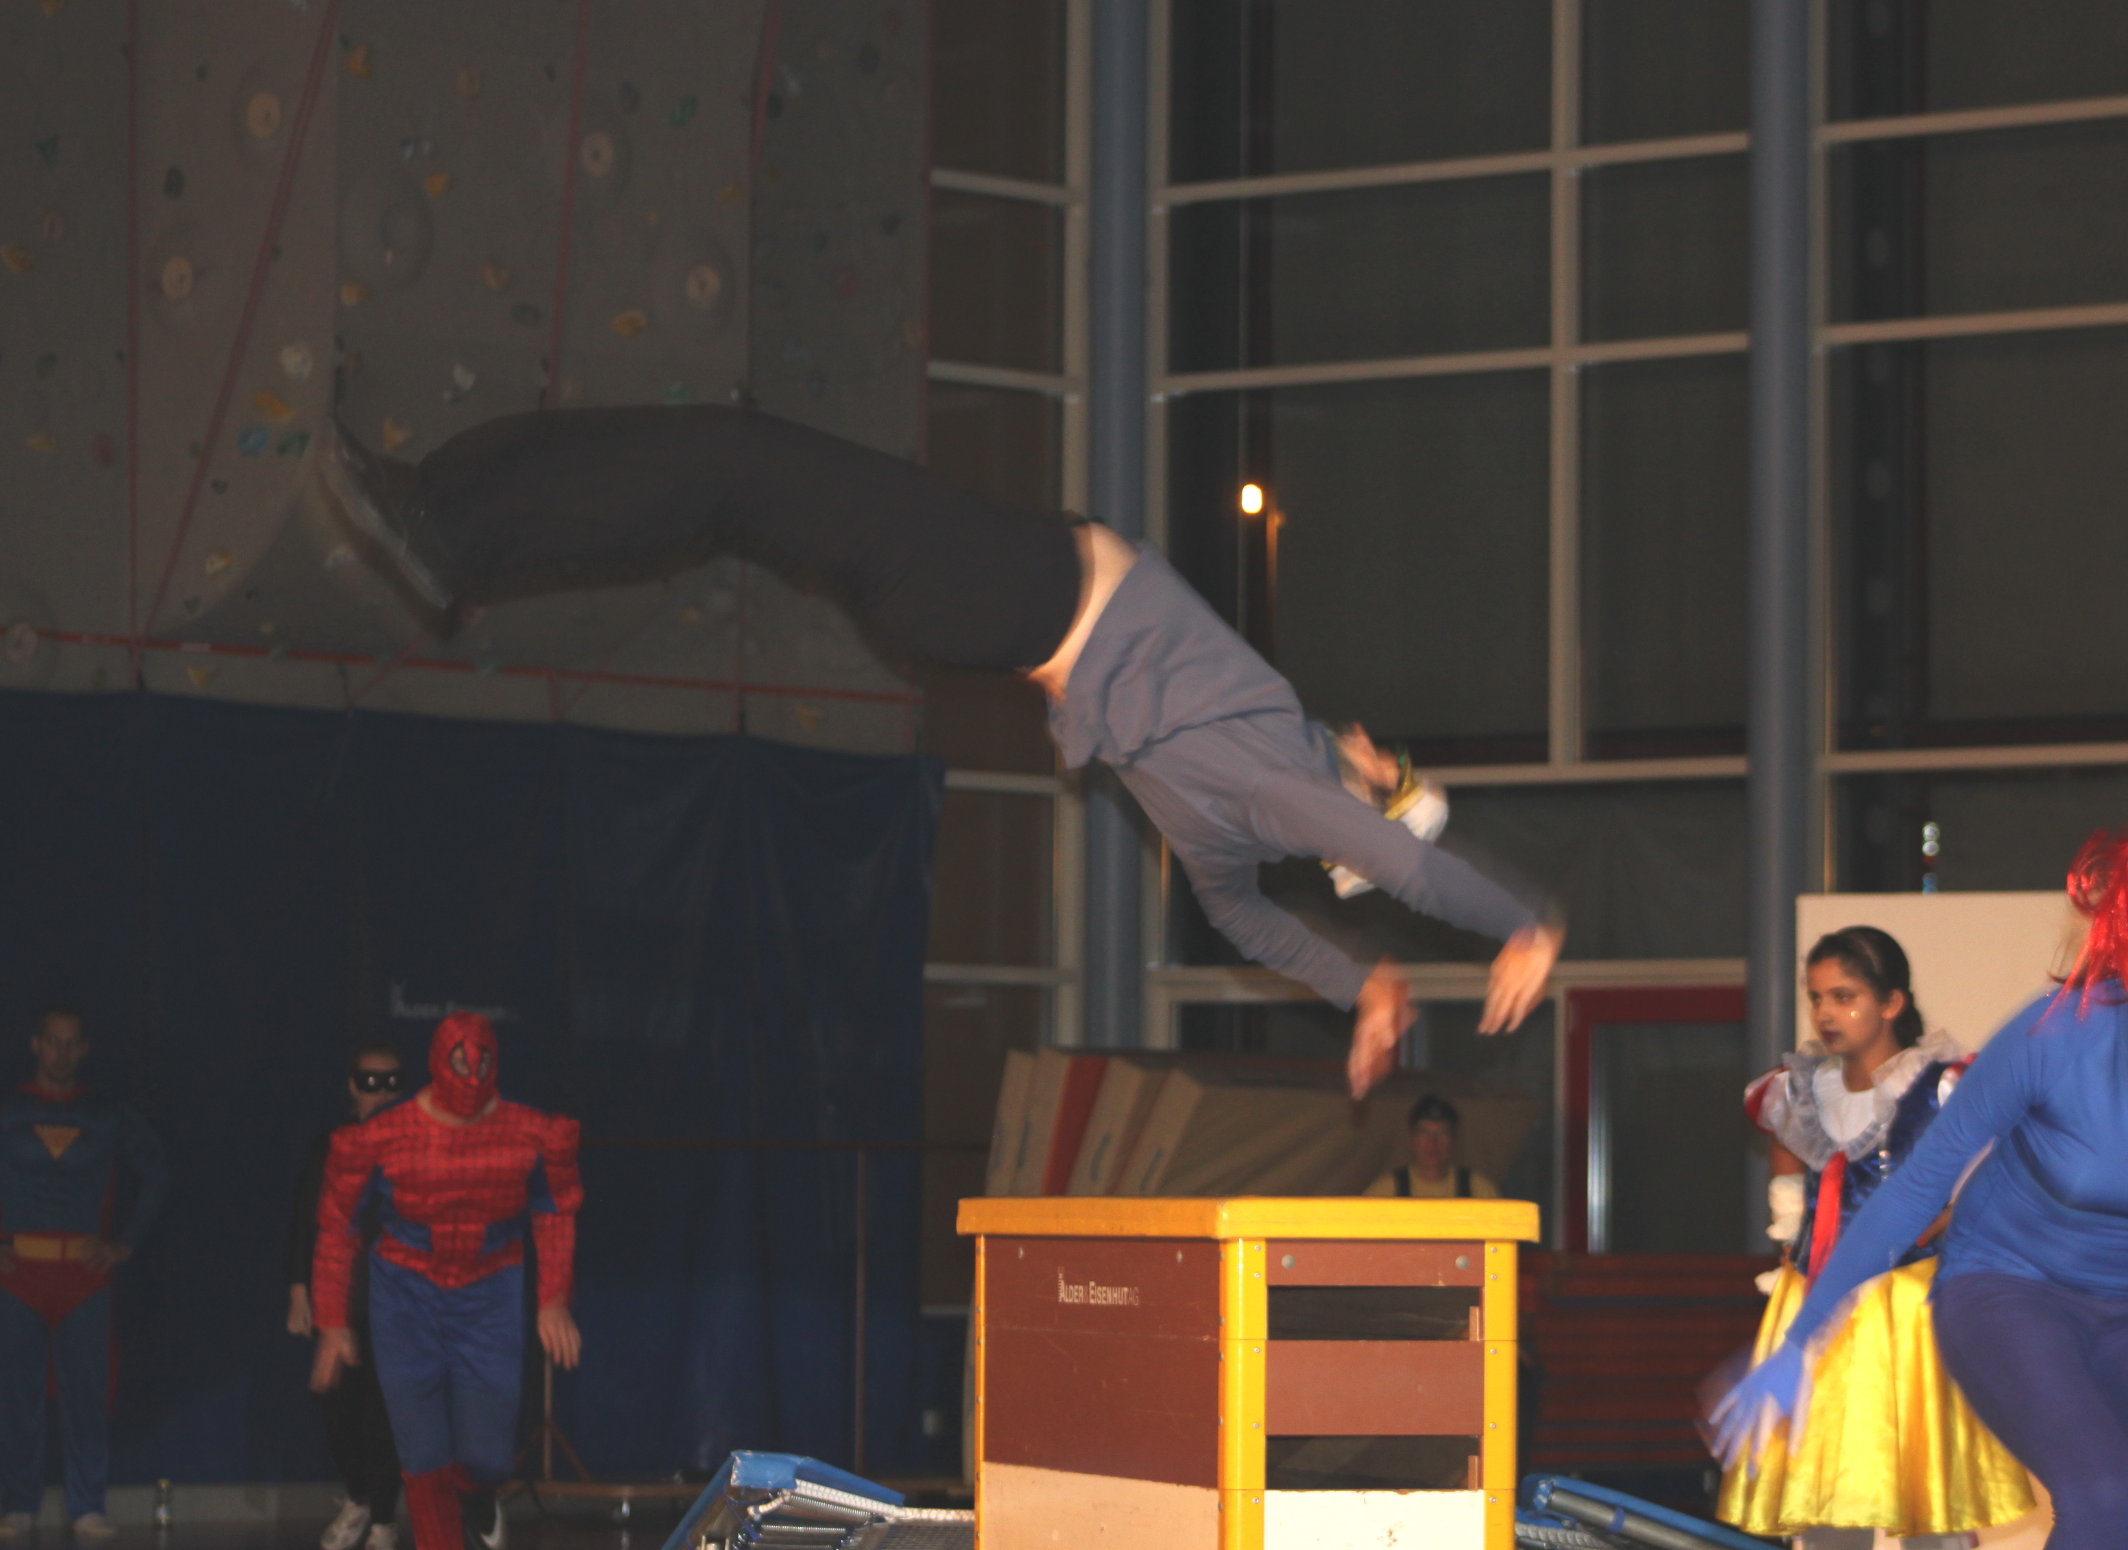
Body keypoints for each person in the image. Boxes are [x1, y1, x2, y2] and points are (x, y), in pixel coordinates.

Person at [316, 409, 1562, 1096]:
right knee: (726, 469)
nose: (1368, 746)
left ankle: (446, 527)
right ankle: (441, 498)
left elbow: (1399, 862)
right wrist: (1362, 987)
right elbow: (1244, 925)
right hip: (976, 604)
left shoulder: (1275, 779)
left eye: (1382, 768)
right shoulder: (1235, 808)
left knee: (732, 463)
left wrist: (1521, 924)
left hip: (998, 585)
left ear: (1355, 805)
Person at [1711, 807, 2128, 1550]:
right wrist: (1802, 1338)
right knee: (2104, 1492)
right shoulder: (2060, 1033)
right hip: (2008, 1288)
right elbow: (1918, 1187)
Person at [1718, 926, 2031, 1549]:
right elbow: (1785, 1145)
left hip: (1908, 1304)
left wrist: (1943, 1221)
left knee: (1928, 1494)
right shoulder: (1801, 1089)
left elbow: (1998, 1171)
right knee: (1826, 1487)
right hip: (1816, 1299)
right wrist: (1790, 1219)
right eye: (1817, 998)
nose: (1826, 1013)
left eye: (1845, 996)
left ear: (1891, 1003)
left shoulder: (1940, 1085)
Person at [311, 1013, 582, 1550]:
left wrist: (553, 1300)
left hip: (490, 1290)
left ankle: (477, 1493)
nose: (470, 1076)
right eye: (459, 1063)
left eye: (481, 1064)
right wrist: (332, 1322)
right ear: (438, 1062)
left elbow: (554, 1210)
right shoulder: (384, 1135)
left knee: (486, 1455)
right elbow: (337, 1225)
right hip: (405, 1294)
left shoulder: (529, 1132)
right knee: (422, 1455)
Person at [0, 1009, 168, 1541]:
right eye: (53, 1041)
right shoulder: (8, 1109)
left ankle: (87, 1506)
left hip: (83, 1274)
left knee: (88, 1398)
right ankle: (17, 1504)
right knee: (15, 1398)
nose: (62, 1052)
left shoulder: (106, 1114)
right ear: (35, 1044)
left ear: (85, 1049)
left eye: (71, 1042)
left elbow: (157, 1171)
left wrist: (125, 1243)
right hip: (18, 1273)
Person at [287, 1045, 408, 1550]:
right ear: (353, 1087)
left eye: (392, 1082)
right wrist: (299, 1290)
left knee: (386, 1418)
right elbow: (306, 1219)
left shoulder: (415, 1146)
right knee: (338, 1414)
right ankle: (360, 1498)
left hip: (399, 1303)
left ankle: (382, 1520)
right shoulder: (332, 1146)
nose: (382, 1093)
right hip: (343, 1303)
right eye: (371, 1082)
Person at [1363, 1094, 1500, 1198]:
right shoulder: (1386, 1192)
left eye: (1442, 1133)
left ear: (1454, 1138)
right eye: (1424, 1133)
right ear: (1411, 1138)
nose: (1433, 1142)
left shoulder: (1478, 1190)